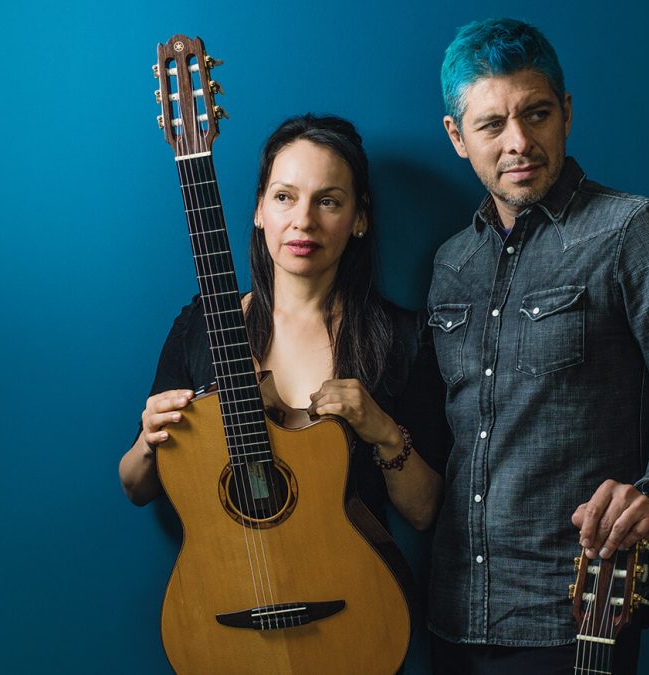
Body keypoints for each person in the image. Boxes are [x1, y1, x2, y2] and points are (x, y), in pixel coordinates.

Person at [425, 18, 649, 674]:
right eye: (492, 124)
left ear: (566, 113)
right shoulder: (450, 263)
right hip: (450, 614)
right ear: (457, 137)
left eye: (536, 113)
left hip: (576, 612)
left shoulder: (633, 232)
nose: (519, 142)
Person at [119, 114, 446, 536]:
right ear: (259, 209)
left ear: (359, 218)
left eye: (327, 200)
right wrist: (148, 439)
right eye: (284, 197)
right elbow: (135, 488)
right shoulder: (202, 327)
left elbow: (425, 513)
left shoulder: (401, 338)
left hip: (354, 589)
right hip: (230, 586)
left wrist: (383, 430)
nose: (303, 220)